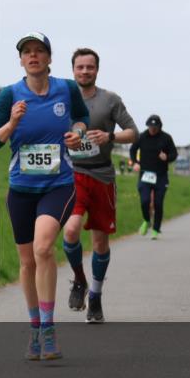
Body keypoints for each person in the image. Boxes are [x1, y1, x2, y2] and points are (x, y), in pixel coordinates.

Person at [0, 33, 90, 357]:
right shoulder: (10, 96)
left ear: (49, 58)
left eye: (39, 51)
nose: (33, 56)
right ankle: (33, 328)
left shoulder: (66, 89)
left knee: (43, 248)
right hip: (21, 190)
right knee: (27, 262)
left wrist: (78, 134)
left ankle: (48, 326)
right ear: (20, 60)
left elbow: (82, 119)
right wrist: (11, 123)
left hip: (58, 185)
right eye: (27, 52)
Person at [61, 48, 137, 324]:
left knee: (99, 241)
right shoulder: (63, 98)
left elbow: (133, 132)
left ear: (97, 70)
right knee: (70, 230)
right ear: (73, 70)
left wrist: (110, 136)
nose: (84, 72)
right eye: (80, 67)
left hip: (103, 176)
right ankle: (79, 281)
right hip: (73, 174)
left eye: (89, 67)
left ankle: (95, 295)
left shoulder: (110, 100)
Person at [129, 115, 177, 240]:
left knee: (158, 203)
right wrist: (135, 162)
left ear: (159, 127)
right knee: (145, 201)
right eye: (150, 127)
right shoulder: (141, 136)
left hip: (161, 176)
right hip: (145, 174)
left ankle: (156, 229)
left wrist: (167, 157)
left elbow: (174, 154)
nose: (152, 129)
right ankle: (146, 220)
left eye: (155, 127)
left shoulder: (166, 138)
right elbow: (132, 150)